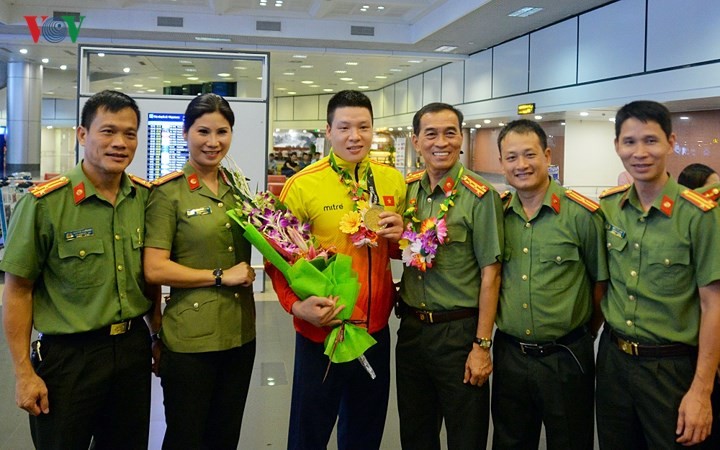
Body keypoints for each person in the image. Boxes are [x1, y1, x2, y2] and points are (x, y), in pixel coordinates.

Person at [0, 90, 158, 449]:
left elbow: (149, 278)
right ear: (83, 135)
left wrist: (156, 333)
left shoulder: (146, 199)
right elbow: (18, 290)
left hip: (132, 350)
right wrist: (23, 373)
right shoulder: (44, 205)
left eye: (130, 134)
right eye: (108, 131)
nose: (120, 143)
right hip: (69, 359)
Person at [266, 90, 405, 449]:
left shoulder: (392, 182)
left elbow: (401, 251)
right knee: (309, 432)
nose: (354, 136)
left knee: (365, 432)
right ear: (328, 130)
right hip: (322, 331)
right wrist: (296, 307)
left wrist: (402, 236)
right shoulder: (303, 185)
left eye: (363, 127)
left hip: (374, 330)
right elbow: (276, 258)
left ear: (373, 130)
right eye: (344, 127)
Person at [596, 100, 720, 449]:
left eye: (651, 140)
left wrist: (701, 390)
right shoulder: (609, 208)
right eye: (629, 142)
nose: (640, 152)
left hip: (673, 369)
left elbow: (714, 306)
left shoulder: (699, 216)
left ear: (670, 141)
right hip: (614, 362)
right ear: (617, 145)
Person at [143, 93, 257, 450]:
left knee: (225, 435)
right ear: (185, 132)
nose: (213, 142)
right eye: (203, 131)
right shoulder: (167, 194)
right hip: (189, 339)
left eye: (222, 132)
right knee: (185, 436)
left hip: (239, 333)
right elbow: (154, 268)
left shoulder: (239, 190)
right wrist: (220, 276)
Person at [492, 119, 607, 450]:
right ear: (501, 163)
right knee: (509, 441)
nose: (521, 165)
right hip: (510, 354)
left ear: (546, 155)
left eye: (529, 155)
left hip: (567, 355)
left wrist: (587, 333)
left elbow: (600, 283)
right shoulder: (497, 214)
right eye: (511, 157)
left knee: (571, 440)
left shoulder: (581, 215)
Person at [395, 102, 503, 450]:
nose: (440, 142)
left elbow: (492, 276)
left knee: (465, 435)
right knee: (415, 432)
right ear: (415, 141)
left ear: (462, 138)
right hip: (412, 329)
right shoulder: (407, 191)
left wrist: (482, 346)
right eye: (430, 134)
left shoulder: (479, 196)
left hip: (458, 333)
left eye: (450, 132)